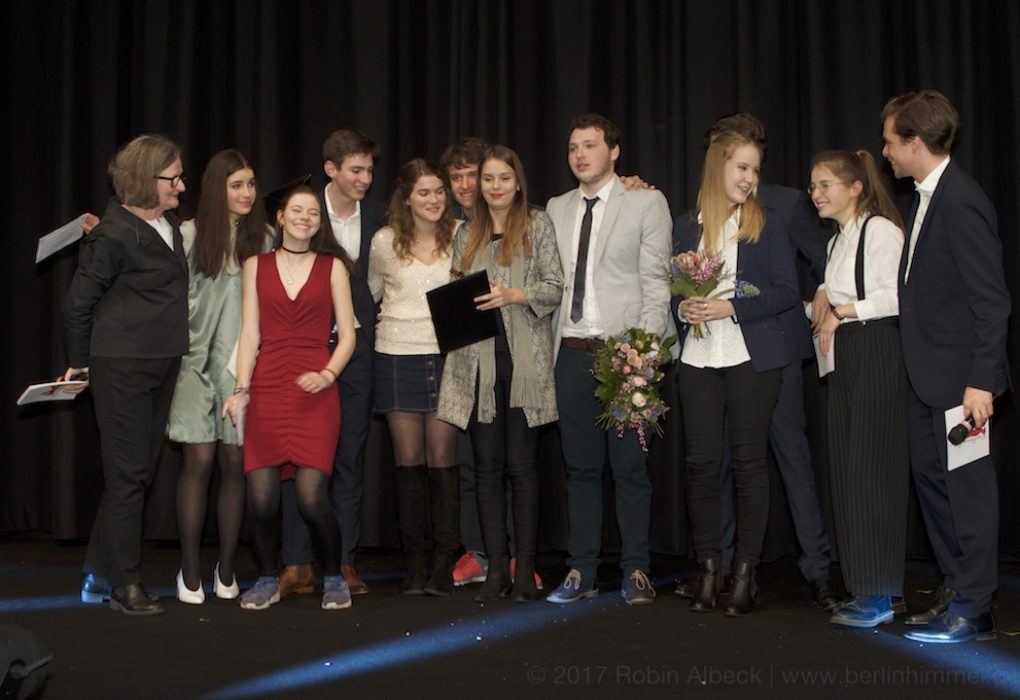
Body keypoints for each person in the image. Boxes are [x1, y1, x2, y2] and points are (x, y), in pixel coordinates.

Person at [673, 113, 838, 612]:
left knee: (785, 458)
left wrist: (828, 293)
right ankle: (718, 568)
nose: (747, 176)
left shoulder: (783, 205)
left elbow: (824, 255)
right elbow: (676, 286)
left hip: (771, 353)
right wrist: (682, 306)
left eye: (752, 166)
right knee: (711, 463)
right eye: (735, 163)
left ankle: (818, 573)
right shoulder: (689, 223)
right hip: (709, 356)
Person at [880, 90, 1010, 643]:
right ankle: (957, 589)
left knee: (968, 493)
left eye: (890, 142)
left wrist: (983, 381)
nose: (884, 152)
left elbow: (992, 301)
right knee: (934, 487)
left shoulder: (962, 200)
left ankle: (976, 606)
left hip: (961, 384)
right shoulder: (924, 197)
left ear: (914, 143)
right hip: (926, 378)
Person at [545, 113, 672, 606]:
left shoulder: (646, 201)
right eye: (574, 146)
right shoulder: (555, 208)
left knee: (629, 469)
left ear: (614, 151)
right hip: (571, 352)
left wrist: (645, 351)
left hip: (626, 355)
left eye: (591, 145)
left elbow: (657, 283)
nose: (580, 154)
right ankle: (581, 570)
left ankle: (636, 569)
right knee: (578, 469)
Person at [64, 134, 189, 616]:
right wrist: (80, 364)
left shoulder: (167, 224)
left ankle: (98, 573)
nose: (180, 184)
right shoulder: (113, 233)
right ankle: (125, 585)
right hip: (122, 367)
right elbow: (76, 305)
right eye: (172, 177)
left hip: (162, 363)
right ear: (144, 180)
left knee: (135, 474)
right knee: (127, 477)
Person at [437, 146, 563, 603]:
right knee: (487, 470)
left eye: (503, 179)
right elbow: (454, 293)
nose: (494, 187)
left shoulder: (538, 223)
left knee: (522, 469)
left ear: (517, 181)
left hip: (525, 365)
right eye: (488, 179)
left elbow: (553, 285)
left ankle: (525, 569)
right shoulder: (466, 233)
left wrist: (514, 294)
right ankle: (494, 570)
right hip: (478, 369)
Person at [222, 185, 357, 611]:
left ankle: (334, 577)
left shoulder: (333, 267)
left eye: (313, 212)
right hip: (268, 386)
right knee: (260, 498)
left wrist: (328, 373)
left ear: (320, 221)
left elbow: (349, 335)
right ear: (279, 216)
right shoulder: (254, 266)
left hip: (316, 388)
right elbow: (250, 334)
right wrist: (241, 390)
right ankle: (266, 578)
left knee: (311, 496)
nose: (305, 217)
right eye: (297, 210)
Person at [278, 129, 385, 599]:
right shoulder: (302, 209)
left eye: (369, 171)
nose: (365, 179)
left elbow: (440, 218)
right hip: (301, 351)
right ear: (331, 170)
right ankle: (297, 562)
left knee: (349, 457)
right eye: (356, 170)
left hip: (356, 354)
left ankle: (341, 562)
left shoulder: (382, 218)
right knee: (296, 457)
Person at [167, 149, 274, 604]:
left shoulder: (265, 237)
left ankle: (226, 569)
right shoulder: (188, 235)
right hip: (192, 365)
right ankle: (189, 572)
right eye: (237, 185)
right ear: (218, 189)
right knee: (199, 463)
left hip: (241, 368)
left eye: (251, 184)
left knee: (236, 466)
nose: (247, 193)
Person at [809, 149, 909, 627]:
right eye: (813, 186)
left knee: (873, 473)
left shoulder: (880, 231)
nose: (816, 194)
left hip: (874, 352)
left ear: (855, 187)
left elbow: (897, 297)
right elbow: (838, 293)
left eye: (826, 184)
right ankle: (864, 587)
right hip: (843, 359)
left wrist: (843, 311)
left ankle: (881, 593)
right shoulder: (837, 242)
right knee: (848, 472)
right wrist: (823, 297)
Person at [368, 159, 461, 596]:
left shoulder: (461, 235)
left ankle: (443, 564)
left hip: (446, 358)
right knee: (408, 463)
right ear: (406, 198)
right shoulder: (384, 242)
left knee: (442, 462)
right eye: (424, 192)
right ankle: (414, 567)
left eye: (439, 191)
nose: (434, 200)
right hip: (395, 356)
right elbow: (371, 293)